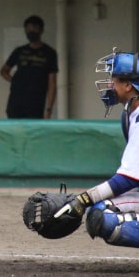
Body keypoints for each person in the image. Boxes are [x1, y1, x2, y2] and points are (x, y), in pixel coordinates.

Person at [54, 49, 139, 247]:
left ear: (128, 85)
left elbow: (127, 179)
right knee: (99, 210)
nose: (110, 85)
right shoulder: (129, 116)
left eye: (115, 80)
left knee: (103, 216)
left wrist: (84, 199)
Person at [0, 15, 58, 119]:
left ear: (41, 30)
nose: (31, 32)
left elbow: (52, 82)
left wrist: (49, 109)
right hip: (16, 101)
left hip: (36, 102)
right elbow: (4, 71)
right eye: (28, 29)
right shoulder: (19, 51)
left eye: (34, 28)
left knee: (34, 132)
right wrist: (15, 81)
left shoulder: (49, 53)